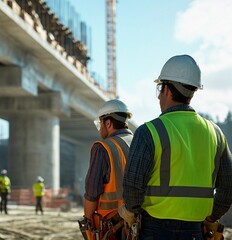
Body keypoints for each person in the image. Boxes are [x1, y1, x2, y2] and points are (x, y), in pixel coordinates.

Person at [119, 54, 232, 239]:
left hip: (155, 229)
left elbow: (133, 186)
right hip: (197, 230)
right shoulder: (216, 133)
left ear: (167, 90)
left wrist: (130, 212)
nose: (159, 98)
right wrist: (212, 216)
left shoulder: (149, 131)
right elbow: (228, 187)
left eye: (160, 89)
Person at [81, 99, 133, 240]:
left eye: (100, 124)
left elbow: (92, 191)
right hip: (138, 223)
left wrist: (88, 220)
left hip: (111, 226)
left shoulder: (103, 148)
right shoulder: (139, 142)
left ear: (108, 123)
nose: (100, 129)